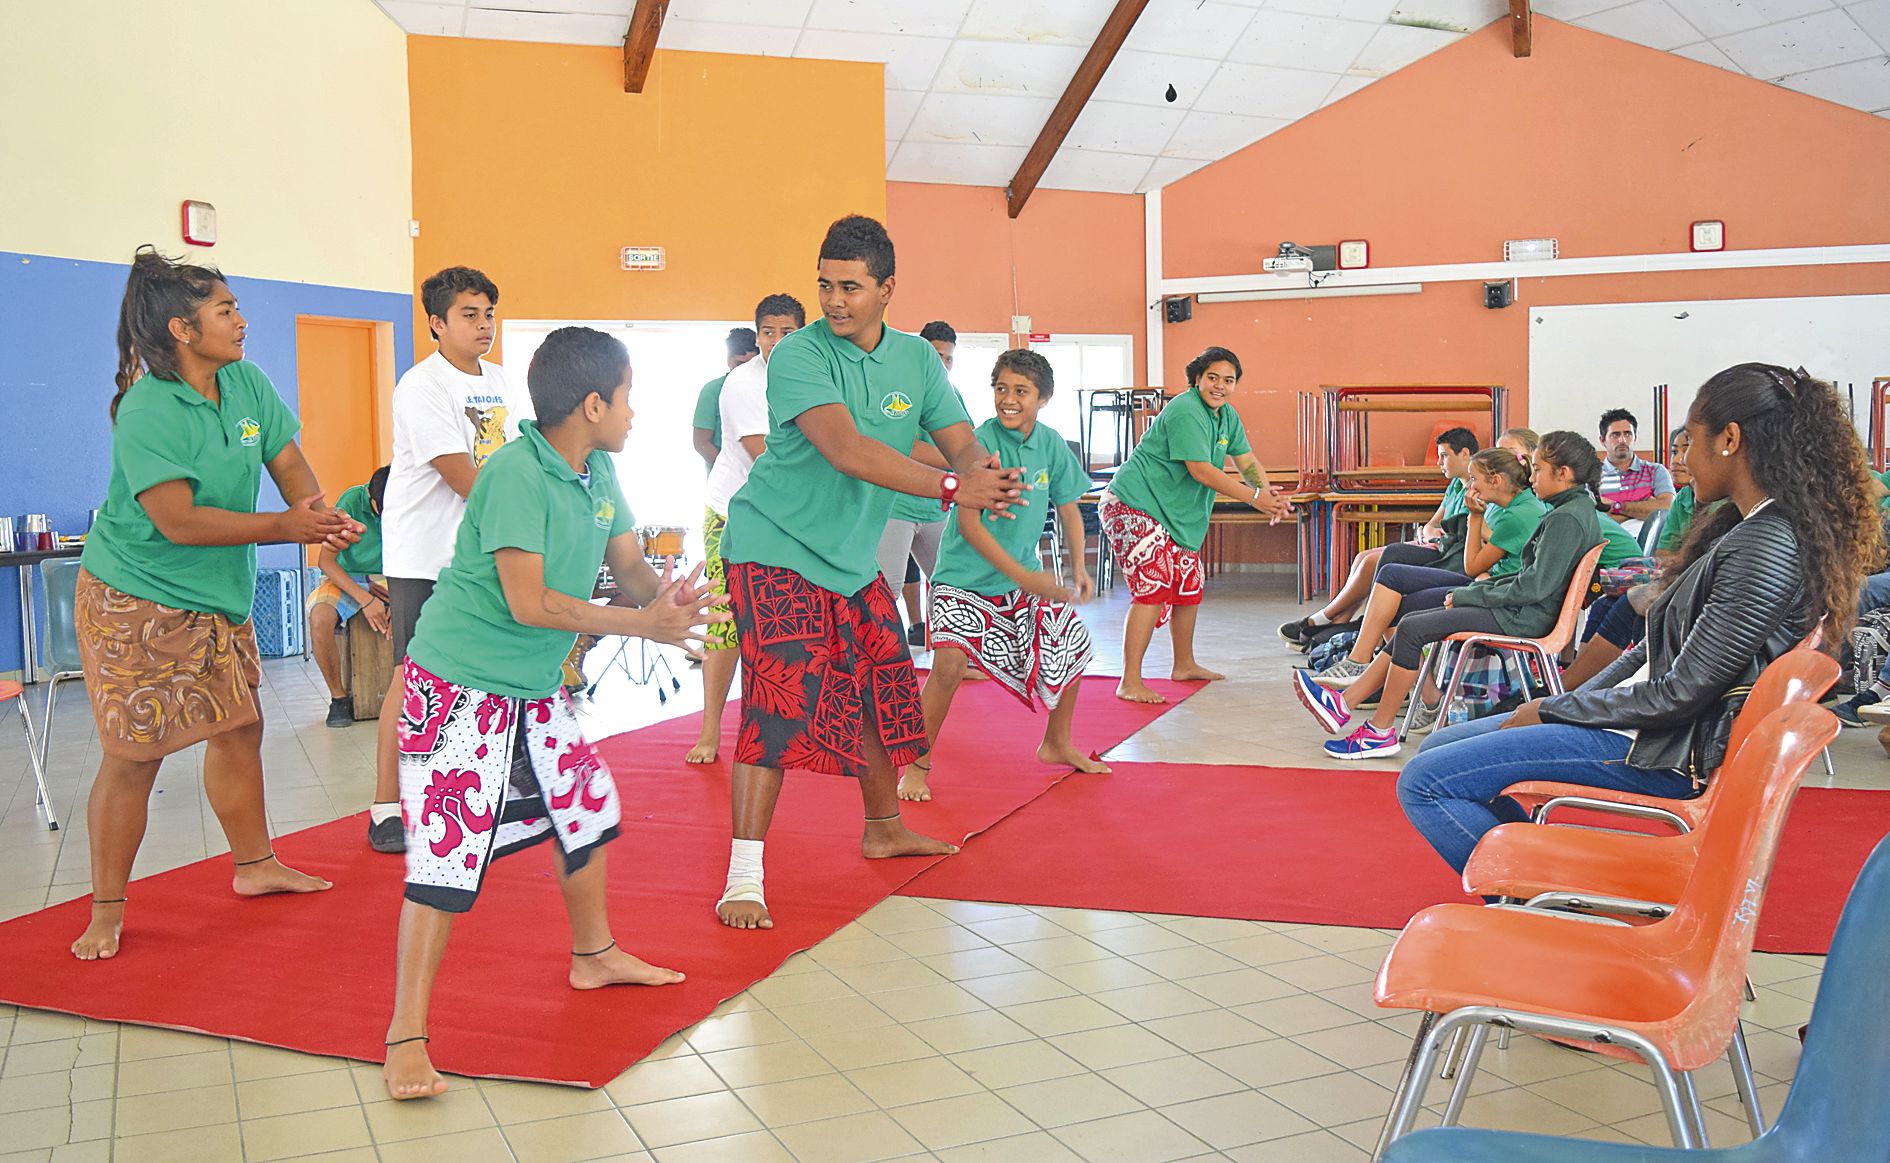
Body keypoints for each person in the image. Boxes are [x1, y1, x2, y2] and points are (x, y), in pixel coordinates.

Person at [381, 326, 723, 1101]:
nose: (635, 413)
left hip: (533, 689)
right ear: (593, 402)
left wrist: (664, 603)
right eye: (628, 397)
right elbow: (528, 602)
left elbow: (629, 567)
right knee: (446, 861)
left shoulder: (597, 468)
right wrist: (643, 625)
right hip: (460, 683)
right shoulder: (512, 474)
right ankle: (406, 1034)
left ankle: (593, 952)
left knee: (585, 811)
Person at [1394, 364, 1879, 872]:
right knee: (1444, 744)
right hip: (1647, 727)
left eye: (1690, 441)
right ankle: (1543, 880)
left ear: (1731, 439)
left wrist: (1559, 712)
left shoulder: (1768, 543)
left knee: (1424, 781)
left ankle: (1537, 891)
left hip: (1664, 748)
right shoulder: (1748, 525)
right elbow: (1647, 654)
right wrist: (1568, 700)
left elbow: (1681, 694)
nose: (1684, 458)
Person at [714, 215, 1023, 931]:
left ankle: (882, 825)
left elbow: (960, 443)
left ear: (887, 289)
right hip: (773, 547)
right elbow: (848, 449)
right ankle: (743, 878)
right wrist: (951, 490)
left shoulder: (916, 360)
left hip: (849, 560)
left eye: (850, 286)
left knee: (886, 682)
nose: (833, 300)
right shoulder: (798, 356)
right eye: (824, 284)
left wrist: (990, 483)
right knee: (778, 703)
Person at [71, 247, 362, 961]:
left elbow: (288, 464)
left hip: (215, 596)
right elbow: (179, 520)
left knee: (239, 726)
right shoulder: (146, 409)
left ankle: (255, 864)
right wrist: (283, 528)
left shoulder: (246, 383)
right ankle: (106, 908)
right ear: (180, 328)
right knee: (134, 755)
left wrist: (318, 515)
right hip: (135, 595)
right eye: (225, 310)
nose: (241, 320)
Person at [1294, 431, 1604, 759]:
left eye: (1538, 469)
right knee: (1412, 620)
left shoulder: (1566, 519)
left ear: (1563, 473)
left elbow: (1533, 588)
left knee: (1412, 628)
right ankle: (1345, 704)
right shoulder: (1572, 510)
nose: (1532, 476)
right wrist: (1476, 590)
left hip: (1524, 617)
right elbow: (1528, 580)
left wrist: (1470, 596)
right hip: (1522, 609)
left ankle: (1379, 730)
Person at [369, 266, 533, 853]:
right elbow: (465, 476)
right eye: (469, 315)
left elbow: (518, 461)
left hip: (480, 553)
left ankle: (494, 787)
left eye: (489, 314)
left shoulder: (504, 382)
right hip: (425, 555)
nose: (484, 325)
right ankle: (387, 806)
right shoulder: (422, 386)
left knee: (491, 672)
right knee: (411, 683)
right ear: (436, 324)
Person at [899, 350, 1107, 803]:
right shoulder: (978, 447)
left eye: (1021, 392)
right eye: (1001, 389)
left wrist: (1079, 568)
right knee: (949, 666)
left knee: (1071, 642)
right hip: (962, 578)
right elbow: (971, 528)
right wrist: (1023, 576)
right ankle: (917, 765)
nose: (1008, 400)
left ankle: (1057, 742)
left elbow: (1069, 507)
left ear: (1043, 398)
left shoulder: (1051, 443)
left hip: (1020, 580)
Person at [1100, 346, 1291, 703]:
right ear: (1197, 380)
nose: (1220, 386)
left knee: (1189, 582)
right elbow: (1200, 470)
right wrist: (1253, 499)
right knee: (1153, 587)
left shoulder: (1227, 416)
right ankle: (1129, 680)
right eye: (1212, 378)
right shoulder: (1186, 410)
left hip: (1176, 514)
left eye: (1228, 380)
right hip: (1133, 504)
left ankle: (1184, 664)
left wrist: (1267, 493)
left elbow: (1246, 460)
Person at [1311, 448, 1547, 684]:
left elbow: (1472, 567)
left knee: (1399, 605)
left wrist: (1474, 518)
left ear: (1496, 481)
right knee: (1391, 573)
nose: (1469, 486)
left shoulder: (1517, 514)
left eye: (1474, 479)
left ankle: (1397, 682)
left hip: (1493, 590)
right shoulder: (1516, 504)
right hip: (1488, 580)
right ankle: (1363, 663)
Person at [686, 295, 804, 764]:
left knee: (777, 626)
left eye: (788, 332)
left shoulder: (814, 375)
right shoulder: (740, 383)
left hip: (786, 516)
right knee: (725, 625)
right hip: (732, 514)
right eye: (769, 332)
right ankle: (710, 729)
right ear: (756, 336)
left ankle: (781, 724)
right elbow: (765, 457)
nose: (777, 341)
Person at [1280, 427, 1479, 648]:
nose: (1439, 462)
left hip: (1446, 553)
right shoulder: (1455, 485)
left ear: (1465, 454)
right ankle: (1335, 624)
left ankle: (1325, 619)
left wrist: (1433, 536)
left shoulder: (1475, 491)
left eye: (1444, 456)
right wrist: (1429, 531)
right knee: (1361, 558)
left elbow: (1460, 537)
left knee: (1374, 563)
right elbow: (1432, 524)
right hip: (1433, 544)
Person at [876, 321, 968, 648]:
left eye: (948, 357)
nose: (942, 364)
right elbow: (904, 446)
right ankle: (874, 665)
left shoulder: (952, 394)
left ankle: (955, 659)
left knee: (953, 585)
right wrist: (955, 458)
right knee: (885, 592)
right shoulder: (898, 390)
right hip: (895, 506)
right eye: (935, 355)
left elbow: (966, 443)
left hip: (936, 507)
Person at [309, 465, 391, 726]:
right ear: (370, 497)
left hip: (393, 578)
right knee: (320, 617)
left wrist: (396, 597)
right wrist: (365, 597)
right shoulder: (351, 503)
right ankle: (338, 698)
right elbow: (326, 562)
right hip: (346, 577)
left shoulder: (413, 503)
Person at [691, 327, 760, 471]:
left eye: (751, 364)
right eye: (740, 364)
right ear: (729, 360)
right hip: (727, 483)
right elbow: (701, 443)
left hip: (763, 477)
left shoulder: (767, 389)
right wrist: (731, 472)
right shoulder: (712, 391)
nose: (745, 370)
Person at [1597, 408, 1675, 525]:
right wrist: (1642, 509)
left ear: (1635, 438)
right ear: (1602, 440)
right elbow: (1593, 519)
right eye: (1615, 435)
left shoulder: (1656, 471)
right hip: (1608, 541)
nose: (1622, 440)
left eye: (1628, 434)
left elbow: (1667, 508)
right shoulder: (1592, 475)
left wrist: (1615, 506)